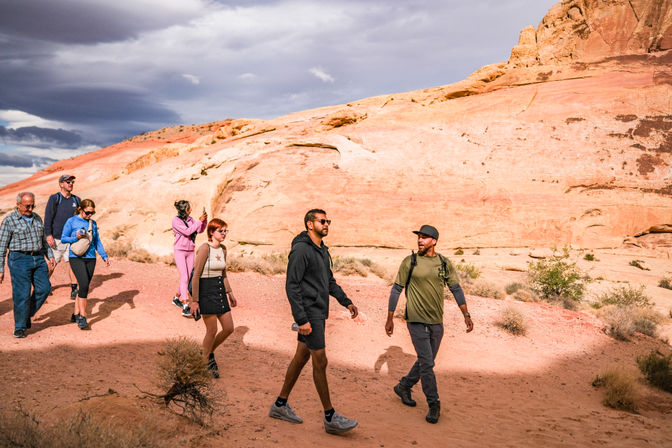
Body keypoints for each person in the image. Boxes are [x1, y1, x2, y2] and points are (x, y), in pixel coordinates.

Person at [269, 209, 359, 435]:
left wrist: (346, 302)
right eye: (322, 221)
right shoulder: (301, 250)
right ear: (310, 224)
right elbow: (292, 285)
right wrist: (302, 319)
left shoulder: (321, 250)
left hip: (318, 312)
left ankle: (280, 405)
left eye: (328, 220)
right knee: (320, 361)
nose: (327, 224)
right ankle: (330, 417)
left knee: (301, 358)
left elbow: (328, 281)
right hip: (310, 315)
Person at [385, 225, 474, 424]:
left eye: (424, 238)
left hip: (436, 321)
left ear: (434, 241)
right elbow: (396, 289)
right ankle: (434, 404)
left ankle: (404, 386)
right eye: (419, 237)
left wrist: (466, 314)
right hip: (415, 320)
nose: (420, 241)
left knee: (427, 361)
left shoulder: (443, 263)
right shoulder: (411, 261)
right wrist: (390, 318)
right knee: (427, 363)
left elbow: (456, 289)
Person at [0, 192, 55, 338]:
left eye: (33, 205)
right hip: (19, 259)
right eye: (27, 206)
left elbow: (43, 240)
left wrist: (50, 255)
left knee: (44, 288)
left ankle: (25, 316)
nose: (30, 208)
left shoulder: (37, 218)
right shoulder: (9, 221)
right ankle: (20, 326)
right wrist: (0, 269)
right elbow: (1, 247)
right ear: (18, 205)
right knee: (22, 294)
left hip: (37, 258)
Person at [188, 218, 238, 378]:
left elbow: (223, 274)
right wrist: (194, 300)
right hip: (205, 290)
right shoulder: (204, 248)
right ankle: (202, 365)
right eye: (220, 231)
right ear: (211, 232)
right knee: (212, 330)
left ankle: (208, 352)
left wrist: (230, 293)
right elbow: (195, 276)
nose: (223, 234)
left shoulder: (223, 249)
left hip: (219, 290)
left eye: (225, 231)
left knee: (229, 328)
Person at [61, 199, 110, 329]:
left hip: (91, 258)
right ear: (81, 210)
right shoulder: (71, 221)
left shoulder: (92, 223)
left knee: (84, 286)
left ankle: (75, 313)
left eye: (92, 213)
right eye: (87, 212)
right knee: (83, 285)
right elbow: (63, 238)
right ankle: (83, 316)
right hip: (76, 257)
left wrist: (104, 256)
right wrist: (75, 237)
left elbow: (97, 241)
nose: (89, 215)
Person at [44, 174, 81, 299]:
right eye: (68, 181)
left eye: (72, 182)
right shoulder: (55, 198)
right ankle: (44, 285)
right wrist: (48, 235)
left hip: (72, 239)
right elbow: (48, 218)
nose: (71, 183)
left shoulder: (76, 200)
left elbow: (80, 218)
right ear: (61, 184)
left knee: (73, 263)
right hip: (57, 238)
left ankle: (74, 289)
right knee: (52, 263)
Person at [172, 200, 207, 317]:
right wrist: (199, 221)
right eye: (189, 208)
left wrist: (204, 221)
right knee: (185, 277)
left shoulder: (191, 220)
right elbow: (188, 232)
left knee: (188, 277)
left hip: (190, 251)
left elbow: (199, 230)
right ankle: (185, 306)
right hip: (180, 251)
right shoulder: (176, 221)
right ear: (184, 210)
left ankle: (176, 298)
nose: (191, 210)